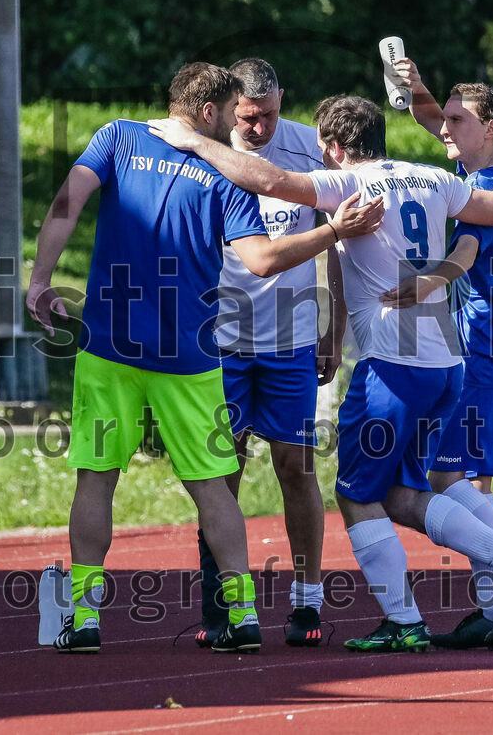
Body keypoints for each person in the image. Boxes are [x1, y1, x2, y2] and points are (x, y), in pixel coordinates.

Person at [149, 94, 493, 652]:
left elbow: (272, 181)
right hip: (446, 366)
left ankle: (457, 593)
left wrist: (195, 141)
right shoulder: (433, 178)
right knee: (405, 494)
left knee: (356, 494)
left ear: (333, 148)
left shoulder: (347, 185)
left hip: (394, 365)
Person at [26, 63, 383, 655]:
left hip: (110, 345)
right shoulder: (223, 177)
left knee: (98, 478)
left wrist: (41, 278)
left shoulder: (117, 136)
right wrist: (332, 232)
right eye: (236, 114)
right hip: (193, 355)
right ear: (216, 110)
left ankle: (85, 615)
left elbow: (67, 204)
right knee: (215, 487)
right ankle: (240, 616)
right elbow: (264, 260)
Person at [382, 61, 493, 649]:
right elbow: (436, 119)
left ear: (492, 127)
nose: (444, 128)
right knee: (472, 479)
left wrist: (421, 287)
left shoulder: (482, 189)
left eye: (459, 120)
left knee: (442, 474)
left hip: (483, 348)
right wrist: (416, 86)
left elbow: (464, 251)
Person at [194, 58, 345, 648]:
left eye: (269, 116)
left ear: (284, 98)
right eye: (248, 118)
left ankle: (306, 603)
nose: (258, 129)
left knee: (296, 467)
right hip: (222, 342)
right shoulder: (205, 150)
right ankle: (223, 604)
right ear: (229, 105)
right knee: (219, 474)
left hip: (290, 342)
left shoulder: (310, 149)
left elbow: (339, 243)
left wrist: (333, 330)